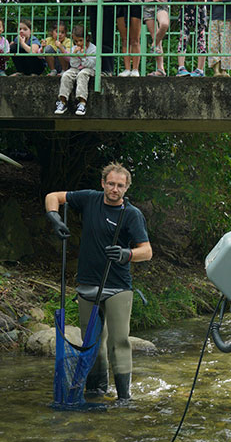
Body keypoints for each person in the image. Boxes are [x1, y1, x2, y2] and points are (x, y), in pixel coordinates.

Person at [44, 163, 152, 402]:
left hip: (118, 287)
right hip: (87, 286)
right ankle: (95, 391)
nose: (115, 189)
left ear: (126, 188)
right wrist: (54, 218)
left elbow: (147, 251)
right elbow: (53, 197)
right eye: (111, 184)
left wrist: (127, 254)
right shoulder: (89, 199)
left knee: (119, 341)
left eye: (120, 186)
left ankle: (124, 397)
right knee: (91, 343)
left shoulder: (131, 214)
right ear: (103, 183)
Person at [54, 25, 95, 116]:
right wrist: (75, 54)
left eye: (80, 40)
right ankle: (63, 101)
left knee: (82, 74)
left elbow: (90, 64)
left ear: (86, 38)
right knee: (66, 74)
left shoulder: (93, 49)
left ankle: (82, 103)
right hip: (77, 68)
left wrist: (83, 56)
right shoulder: (74, 48)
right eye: (76, 41)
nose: (78, 43)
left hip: (89, 69)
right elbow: (73, 64)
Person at [205, 0, 231, 76]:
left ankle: (224, 70)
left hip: (226, 20)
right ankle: (216, 70)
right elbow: (206, 7)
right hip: (213, 20)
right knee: (213, 44)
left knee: (225, 44)